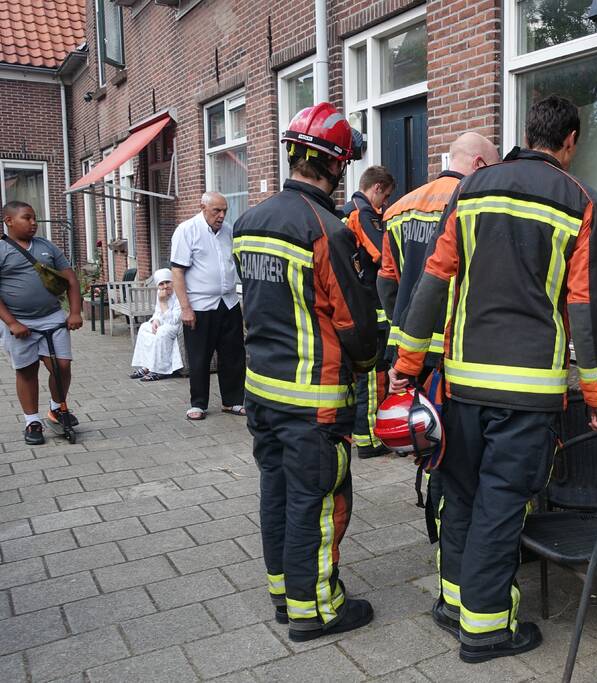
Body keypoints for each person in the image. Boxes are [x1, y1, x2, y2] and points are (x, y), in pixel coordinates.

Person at [389, 95, 597, 663]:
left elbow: (432, 286)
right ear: (569, 142)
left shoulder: (470, 190)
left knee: (461, 494)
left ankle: (456, 602)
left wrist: (406, 369)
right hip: (528, 394)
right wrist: (596, 396)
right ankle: (487, 630)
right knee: (501, 504)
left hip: (462, 385)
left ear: (527, 132)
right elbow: (584, 309)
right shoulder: (581, 202)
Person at [233, 102, 379, 643]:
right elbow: (355, 326)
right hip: (313, 400)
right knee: (315, 503)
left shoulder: (248, 223)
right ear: (336, 165)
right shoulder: (326, 230)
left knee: (275, 492)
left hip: (262, 393)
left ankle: (282, 592)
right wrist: (371, 363)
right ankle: (314, 610)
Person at [377, 131, 500, 634]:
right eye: (490, 165)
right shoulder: (474, 204)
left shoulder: (400, 208)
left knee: (438, 462)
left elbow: (386, 280)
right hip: (454, 359)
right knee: (460, 470)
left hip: (411, 354)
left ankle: (450, 581)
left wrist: (403, 323)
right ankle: (459, 582)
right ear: (475, 162)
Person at [0, 201, 83, 444]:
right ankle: (32, 421)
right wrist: (12, 323)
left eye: (34, 218)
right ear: (8, 221)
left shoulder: (46, 246)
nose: (34, 222)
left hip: (52, 318)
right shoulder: (2, 249)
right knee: (26, 371)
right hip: (19, 321)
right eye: (27, 218)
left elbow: (71, 280)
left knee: (63, 365)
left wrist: (75, 312)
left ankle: (56, 408)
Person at [169, 191, 246, 420]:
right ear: (203, 207)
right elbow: (177, 271)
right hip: (200, 304)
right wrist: (185, 308)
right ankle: (198, 403)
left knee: (233, 354)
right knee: (200, 356)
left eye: (224, 211)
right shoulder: (187, 230)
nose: (221, 215)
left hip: (229, 301)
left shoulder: (229, 230)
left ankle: (232, 401)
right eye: (216, 211)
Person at [338, 166, 395, 458]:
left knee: (363, 377)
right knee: (374, 378)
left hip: (355, 306)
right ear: (376, 188)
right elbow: (382, 253)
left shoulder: (345, 211)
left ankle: (362, 434)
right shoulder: (363, 214)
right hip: (372, 309)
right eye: (384, 197)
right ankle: (369, 439)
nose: (384, 204)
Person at [128, 268, 183, 381]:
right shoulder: (160, 293)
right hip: (164, 323)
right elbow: (157, 312)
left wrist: (163, 302)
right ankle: (146, 367)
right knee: (144, 327)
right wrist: (155, 321)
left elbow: (174, 320)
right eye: (161, 284)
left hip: (176, 325)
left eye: (168, 282)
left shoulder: (179, 294)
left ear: (173, 281)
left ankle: (160, 370)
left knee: (162, 332)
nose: (165, 286)